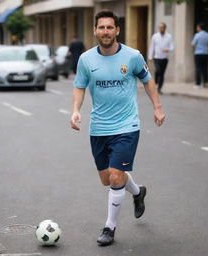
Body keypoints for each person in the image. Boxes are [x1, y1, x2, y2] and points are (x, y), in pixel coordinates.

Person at [70, 10, 165, 246]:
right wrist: (75, 110)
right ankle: (137, 191)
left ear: (117, 30)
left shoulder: (132, 56)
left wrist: (157, 107)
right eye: (101, 27)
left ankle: (109, 228)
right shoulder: (86, 59)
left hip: (127, 126)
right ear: (95, 31)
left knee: (115, 176)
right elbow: (80, 86)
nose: (105, 32)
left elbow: (147, 80)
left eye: (110, 27)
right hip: (99, 128)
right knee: (107, 179)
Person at [148, 22, 174, 94]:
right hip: (157, 57)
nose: (161, 29)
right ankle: (156, 83)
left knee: (162, 73)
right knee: (158, 71)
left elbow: (172, 46)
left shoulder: (169, 36)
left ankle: (159, 88)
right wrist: (150, 56)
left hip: (165, 58)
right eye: (160, 27)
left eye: (162, 27)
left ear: (165, 28)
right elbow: (152, 47)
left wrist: (168, 49)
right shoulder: (155, 36)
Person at [191, 22, 208, 88]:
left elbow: (193, 44)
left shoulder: (197, 35)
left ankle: (198, 84)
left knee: (198, 68)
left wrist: (195, 49)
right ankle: (205, 83)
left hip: (198, 53)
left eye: (197, 27)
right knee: (205, 68)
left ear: (200, 28)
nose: (197, 28)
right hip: (206, 54)